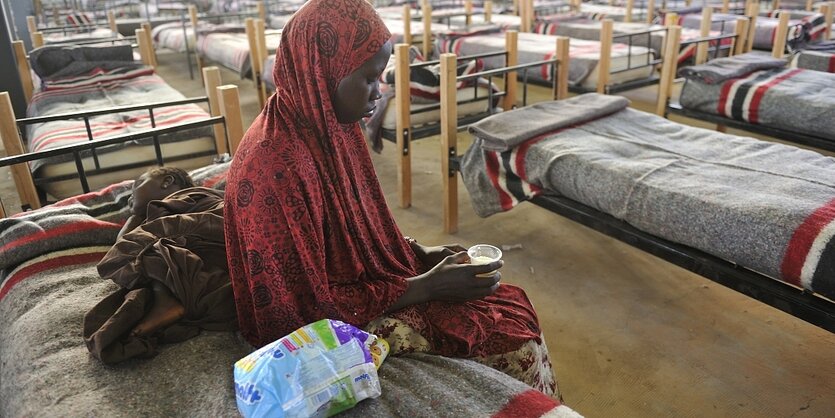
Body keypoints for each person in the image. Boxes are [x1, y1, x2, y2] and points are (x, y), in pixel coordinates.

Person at [223, 0, 557, 396]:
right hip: (319, 327)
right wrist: (426, 287)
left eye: (381, 78)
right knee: (514, 342)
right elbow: (298, 314)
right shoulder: (277, 168)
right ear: (322, 72)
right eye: (369, 79)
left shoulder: (328, 124)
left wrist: (419, 254)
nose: (378, 94)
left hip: (353, 290)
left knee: (507, 301)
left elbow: (359, 230)